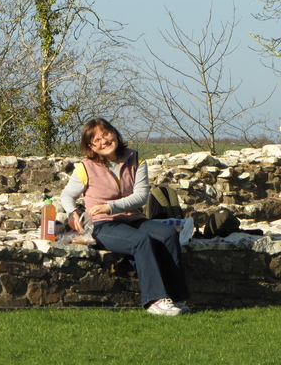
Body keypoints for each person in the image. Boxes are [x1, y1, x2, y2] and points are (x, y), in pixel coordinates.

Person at [60, 117, 190, 316]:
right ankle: (155, 300)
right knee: (141, 241)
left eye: (106, 135)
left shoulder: (136, 159)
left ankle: (177, 298)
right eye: (97, 140)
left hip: (134, 219)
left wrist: (109, 206)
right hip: (102, 225)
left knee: (168, 235)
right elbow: (67, 195)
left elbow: (141, 197)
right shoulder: (85, 167)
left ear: (115, 134)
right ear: (90, 146)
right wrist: (73, 213)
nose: (104, 142)